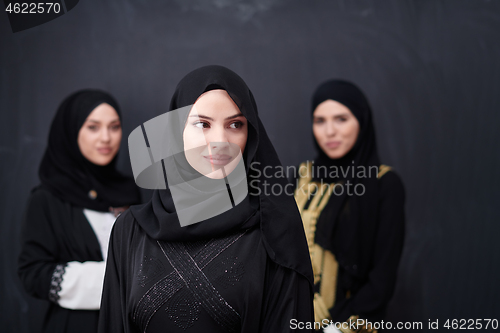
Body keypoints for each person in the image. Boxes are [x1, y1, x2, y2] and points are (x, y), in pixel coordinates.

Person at [97, 65, 314, 333]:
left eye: (236, 124)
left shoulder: (274, 231)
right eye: (202, 124)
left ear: (251, 135)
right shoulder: (130, 231)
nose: (220, 140)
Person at [18, 90, 141, 333]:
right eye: (93, 127)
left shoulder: (129, 193)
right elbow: (33, 274)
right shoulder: (47, 199)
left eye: (114, 127)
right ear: (71, 131)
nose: (106, 137)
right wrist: (116, 280)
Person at [293, 80, 405, 332]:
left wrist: (336, 328)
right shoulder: (302, 177)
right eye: (320, 121)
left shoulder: (384, 183)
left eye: (341, 119)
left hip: (350, 324)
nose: (329, 131)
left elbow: (383, 276)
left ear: (361, 121)